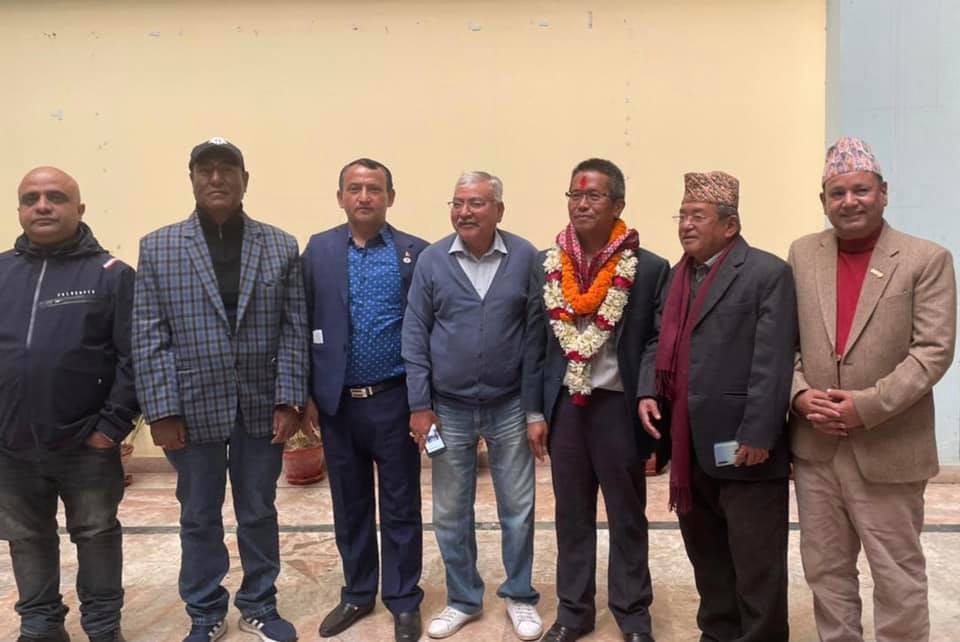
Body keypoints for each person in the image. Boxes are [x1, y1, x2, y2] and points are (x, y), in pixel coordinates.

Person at [132, 138, 308, 642]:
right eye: (205, 170)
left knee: (259, 510)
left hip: (260, 407)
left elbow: (294, 328)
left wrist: (289, 400)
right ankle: (206, 611)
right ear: (191, 179)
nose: (216, 178)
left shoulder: (280, 245)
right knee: (198, 514)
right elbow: (148, 333)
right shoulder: (159, 247)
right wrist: (161, 410)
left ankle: (259, 604)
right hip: (191, 410)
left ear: (244, 180)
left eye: (227, 169)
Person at [789, 137, 956, 642]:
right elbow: (782, 343)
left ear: (884, 193)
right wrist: (799, 394)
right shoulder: (802, 254)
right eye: (837, 193)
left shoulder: (926, 258)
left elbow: (933, 351)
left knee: (896, 573)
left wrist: (867, 406)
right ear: (823, 201)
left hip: (889, 446)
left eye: (861, 190)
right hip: (816, 448)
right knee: (825, 570)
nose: (849, 201)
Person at [638, 171, 796, 641]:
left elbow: (773, 360)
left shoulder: (767, 273)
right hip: (688, 442)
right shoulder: (676, 276)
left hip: (745, 444)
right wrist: (648, 390)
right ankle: (718, 631)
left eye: (697, 216)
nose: (686, 225)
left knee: (756, 559)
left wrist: (759, 433)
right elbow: (657, 341)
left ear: (730, 225)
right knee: (706, 553)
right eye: (682, 215)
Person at [522, 158, 668, 642]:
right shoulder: (547, 264)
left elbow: (654, 342)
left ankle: (633, 614)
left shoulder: (648, 268)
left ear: (618, 205)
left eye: (594, 196)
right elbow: (535, 342)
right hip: (566, 407)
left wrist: (646, 391)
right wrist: (535, 411)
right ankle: (573, 613)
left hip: (617, 406)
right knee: (571, 515)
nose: (581, 204)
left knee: (627, 514)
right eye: (575, 195)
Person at [402, 171, 542, 640]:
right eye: (458, 202)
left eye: (476, 203)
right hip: (448, 410)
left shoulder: (525, 257)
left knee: (518, 508)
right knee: (449, 511)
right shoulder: (432, 260)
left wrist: (534, 410)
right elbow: (414, 334)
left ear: (499, 210)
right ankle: (463, 599)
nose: (464, 212)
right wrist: (420, 404)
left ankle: (519, 595)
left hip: (510, 405)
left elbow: (536, 338)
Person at [0, 167, 138, 642]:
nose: (42, 205)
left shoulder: (111, 275)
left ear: (79, 209)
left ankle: (102, 626)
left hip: (86, 445)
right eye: (31, 198)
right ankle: (41, 624)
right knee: (26, 537)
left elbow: (134, 359)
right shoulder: (1, 272)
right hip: (11, 447)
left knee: (96, 534)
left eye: (55, 197)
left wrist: (110, 429)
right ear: (20, 209)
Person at [301, 158, 427, 642]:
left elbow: (426, 329)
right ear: (340, 197)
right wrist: (308, 393)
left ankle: (403, 598)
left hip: (393, 399)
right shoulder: (318, 250)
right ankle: (357, 593)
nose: (364, 197)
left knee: (400, 505)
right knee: (349, 505)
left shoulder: (414, 252)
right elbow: (301, 320)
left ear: (390, 197)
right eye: (354, 188)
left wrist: (423, 400)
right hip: (338, 404)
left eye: (374, 189)